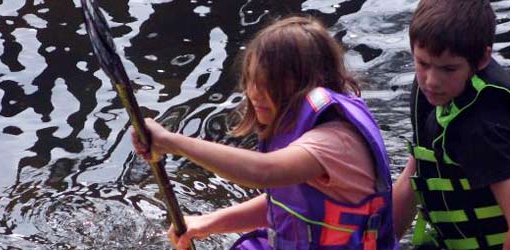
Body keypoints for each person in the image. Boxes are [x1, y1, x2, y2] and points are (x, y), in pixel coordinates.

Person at [132, 16, 396, 250]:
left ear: (303, 83)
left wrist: (171, 142)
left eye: (268, 83)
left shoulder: (335, 142)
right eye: (251, 79)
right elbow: (283, 202)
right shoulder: (302, 129)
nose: (254, 93)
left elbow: (263, 172)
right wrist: (207, 223)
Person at [390, 0, 510, 249]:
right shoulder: (435, 91)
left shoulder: (483, 123)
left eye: (449, 69)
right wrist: (376, 242)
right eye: (422, 63)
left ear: (483, 58)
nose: (431, 81)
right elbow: (416, 173)